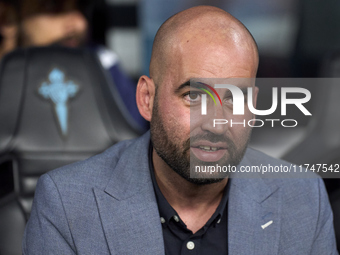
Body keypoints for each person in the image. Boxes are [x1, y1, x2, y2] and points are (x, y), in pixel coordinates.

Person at [23, 6, 337, 254]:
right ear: (147, 99)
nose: (216, 123)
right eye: (194, 96)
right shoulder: (67, 204)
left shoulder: (303, 198)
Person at [0, 0, 148, 132]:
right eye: (53, 6)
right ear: (7, 18)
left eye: (81, 7)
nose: (79, 24)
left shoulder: (102, 63)